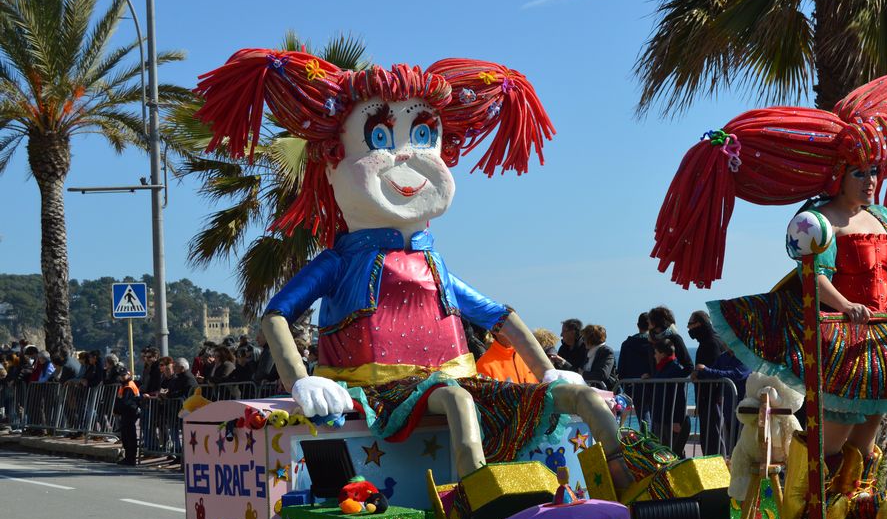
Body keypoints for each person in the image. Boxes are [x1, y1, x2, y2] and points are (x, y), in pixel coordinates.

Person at [195, 46, 630, 488]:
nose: (404, 155)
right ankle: (479, 504)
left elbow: (499, 316)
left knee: (584, 398)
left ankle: (634, 485)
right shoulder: (341, 262)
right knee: (459, 404)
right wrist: (299, 380)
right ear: (331, 169)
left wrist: (546, 371)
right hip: (381, 389)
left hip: (455, 380)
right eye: (380, 138)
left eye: (422, 135)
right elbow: (277, 315)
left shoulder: (432, 263)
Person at [651, 74, 887, 480]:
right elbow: (813, 276)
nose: (870, 181)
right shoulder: (818, 219)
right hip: (842, 340)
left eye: (874, 171)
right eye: (860, 173)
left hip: (884, 338)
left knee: (867, 442)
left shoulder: (883, 218)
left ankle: (857, 502)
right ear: (839, 175)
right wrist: (845, 305)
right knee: (833, 442)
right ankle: (813, 503)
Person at [688, 310, 750, 456]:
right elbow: (713, 370)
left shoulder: (744, 357)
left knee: (739, 444)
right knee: (729, 443)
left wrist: (706, 371)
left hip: (741, 407)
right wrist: (698, 373)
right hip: (728, 408)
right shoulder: (723, 357)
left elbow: (737, 374)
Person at [648, 337, 689, 456]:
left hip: (669, 420)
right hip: (660, 418)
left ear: (662, 354)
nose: (654, 356)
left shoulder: (674, 369)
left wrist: (677, 420)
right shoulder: (662, 368)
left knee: (675, 452)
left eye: (656, 353)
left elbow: (679, 397)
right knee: (661, 453)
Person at [616, 313, 654, 421]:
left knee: (644, 420)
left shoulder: (627, 344)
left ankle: (646, 433)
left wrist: (627, 388)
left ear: (638, 325)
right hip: (655, 385)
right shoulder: (655, 343)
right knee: (657, 420)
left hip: (635, 387)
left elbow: (621, 370)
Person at [113, 365, 141, 466]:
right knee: (126, 436)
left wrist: (118, 410)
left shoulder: (129, 386)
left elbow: (126, 402)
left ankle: (131, 458)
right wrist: (116, 410)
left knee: (129, 436)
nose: (122, 377)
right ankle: (128, 458)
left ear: (128, 374)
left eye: (124, 375)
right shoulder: (124, 385)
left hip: (129, 413)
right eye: (121, 375)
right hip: (126, 413)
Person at [579, 324, 617, 390]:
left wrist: (582, 373)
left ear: (591, 339)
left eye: (584, 338)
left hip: (604, 391)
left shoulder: (606, 351)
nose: (583, 341)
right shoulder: (588, 352)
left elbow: (603, 375)